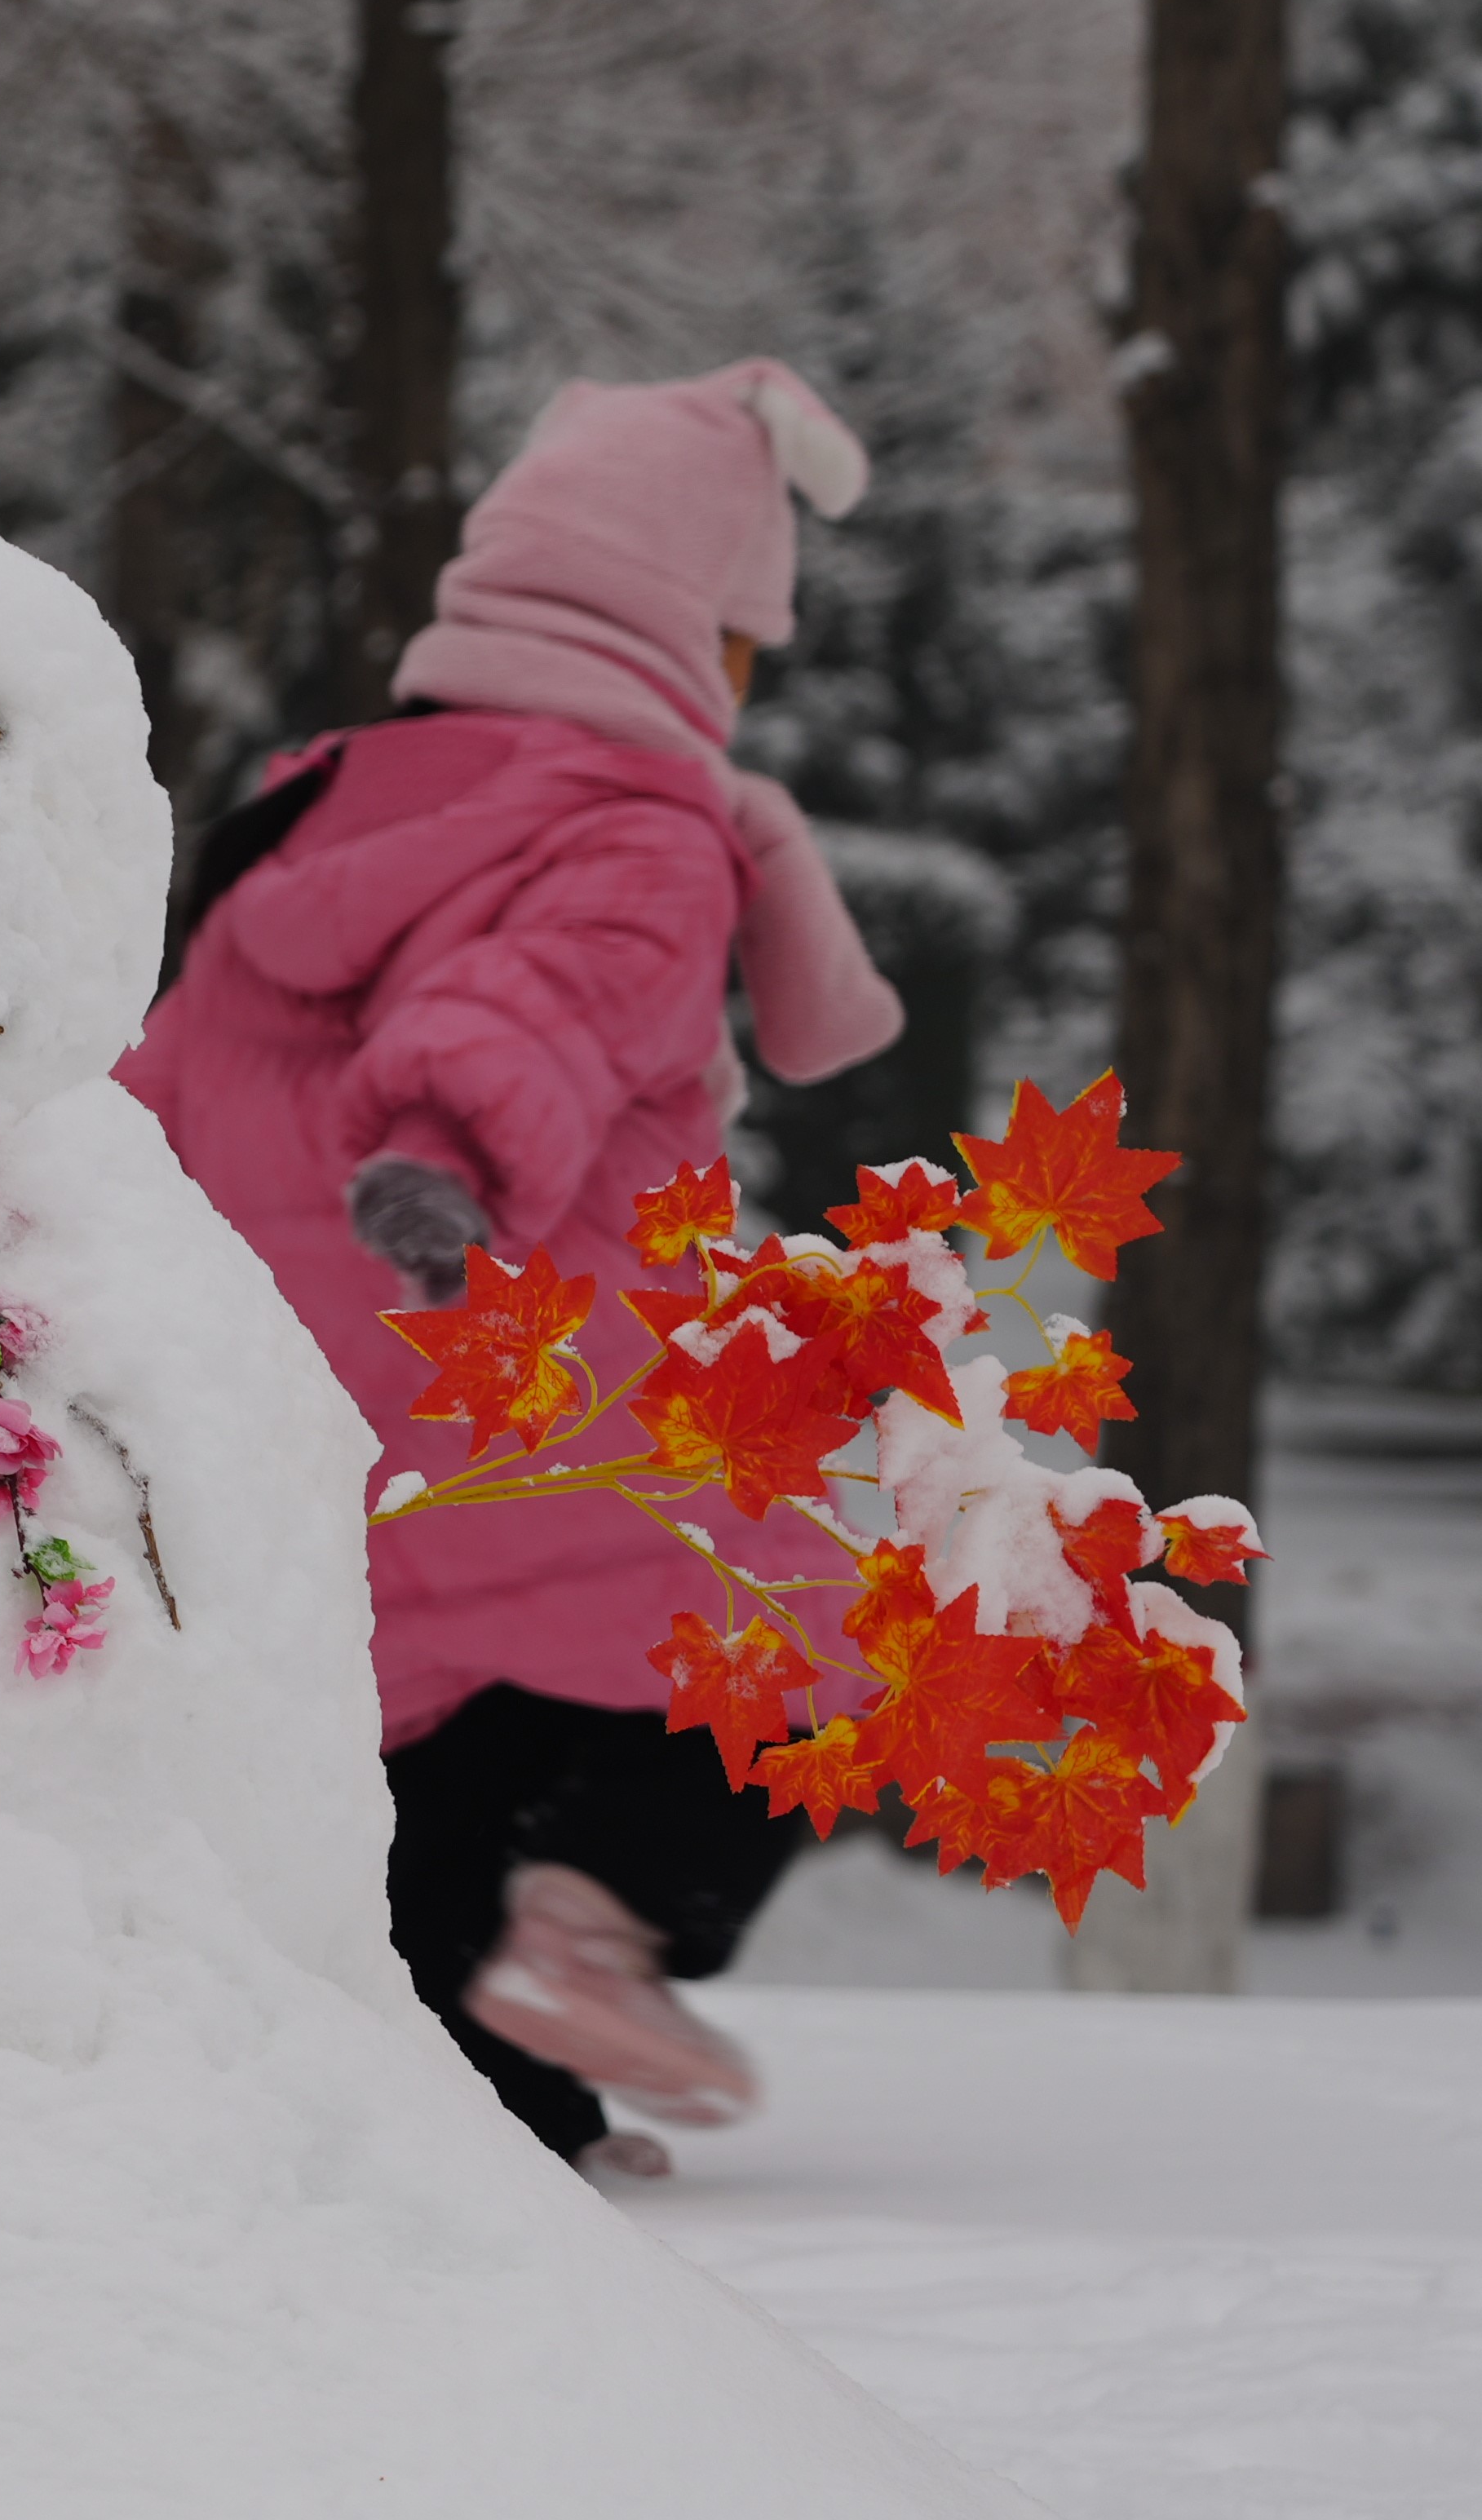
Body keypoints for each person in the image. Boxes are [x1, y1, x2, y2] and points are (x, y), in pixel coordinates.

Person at [118, 362, 901, 2176]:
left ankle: (498, 2117)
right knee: (797, 1623)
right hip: (516, 1336)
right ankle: (596, 1922)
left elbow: (174, 1064)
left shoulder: (331, 796)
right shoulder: (631, 824)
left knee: (440, 1742)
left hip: (309, 1396)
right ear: (691, 630)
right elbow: (520, 1008)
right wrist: (444, 1161)